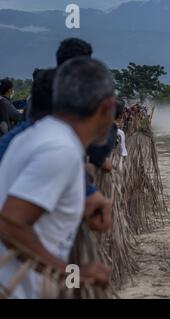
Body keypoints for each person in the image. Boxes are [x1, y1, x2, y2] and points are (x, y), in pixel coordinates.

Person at [0, 57, 115, 298]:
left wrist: (84, 200)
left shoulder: (38, 136)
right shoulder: (60, 149)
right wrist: (75, 274)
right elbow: (9, 224)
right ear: (106, 107)